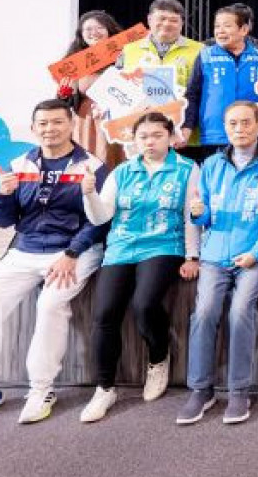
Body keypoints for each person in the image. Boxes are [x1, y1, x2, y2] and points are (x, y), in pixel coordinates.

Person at [0, 100, 107, 429]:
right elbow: (5, 221)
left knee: (50, 305)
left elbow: (101, 221)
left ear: (71, 125)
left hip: (74, 250)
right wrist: (3, 196)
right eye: (43, 124)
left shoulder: (91, 165)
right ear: (34, 128)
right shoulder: (19, 163)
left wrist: (72, 253)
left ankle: (41, 390)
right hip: (26, 248)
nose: (50, 129)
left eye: (57, 123)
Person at [78, 112, 201, 423]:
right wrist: (89, 194)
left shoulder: (187, 169)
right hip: (121, 246)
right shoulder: (122, 172)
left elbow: (191, 215)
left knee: (144, 304)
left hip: (163, 245)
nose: (150, 141)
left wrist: (191, 256)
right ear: (134, 140)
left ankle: (158, 359)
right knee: (105, 314)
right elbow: (101, 217)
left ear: (171, 137)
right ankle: (105, 387)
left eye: (157, 135)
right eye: (143, 136)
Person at [176, 101, 258, 426]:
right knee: (205, 311)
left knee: (240, 311)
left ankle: (239, 390)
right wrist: (198, 213)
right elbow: (204, 214)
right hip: (214, 255)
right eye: (233, 124)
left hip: (254, 256)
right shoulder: (211, 165)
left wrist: (257, 252)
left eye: (245, 123)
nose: (239, 130)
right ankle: (201, 389)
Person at [181, 4, 258, 158]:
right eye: (217, 26)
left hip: (253, 134)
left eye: (227, 26)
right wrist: (187, 126)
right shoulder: (205, 56)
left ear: (243, 30)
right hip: (214, 135)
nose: (220, 31)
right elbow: (192, 94)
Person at [118, 0, 203, 149]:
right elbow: (117, 88)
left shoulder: (200, 50)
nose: (167, 24)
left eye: (173, 20)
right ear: (149, 20)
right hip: (141, 137)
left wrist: (187, 127)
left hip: (183, 136)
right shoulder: (129, 50)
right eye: (162, 18)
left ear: (182, 23)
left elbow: (200, 94)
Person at [59, 9, 125, 166]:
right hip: (87, 121)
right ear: (81, 34)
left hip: (118, 117)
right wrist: (65, 93)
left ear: (109, 30)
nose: (94, 32)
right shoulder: (74, 61)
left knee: (116, 162)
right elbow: (66, 102)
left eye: (100, 27)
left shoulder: (126, 55)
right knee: (89, 165)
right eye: (88, 29)